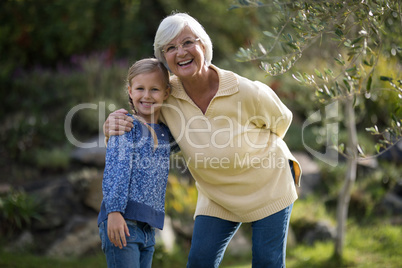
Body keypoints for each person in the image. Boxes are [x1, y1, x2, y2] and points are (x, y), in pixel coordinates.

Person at [104, 13, 302, 268]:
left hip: (268, 186)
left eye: (188, 42)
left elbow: (281, 121)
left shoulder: (245, 91)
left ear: (204, 45)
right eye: (171, 48)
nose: (181, 52)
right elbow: (141, 122)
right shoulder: (166, 95)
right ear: (164, 58)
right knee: (199, 262)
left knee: (266, 263)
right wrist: (111, 126)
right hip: (216, 195)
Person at [98, 58, 179, 268]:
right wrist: (113, 212)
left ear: (166, 93)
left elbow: (190, 142)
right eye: (140, 88)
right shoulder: (126, 125)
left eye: (154, 89)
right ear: (130, 91)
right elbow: (116, 169)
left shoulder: (166, 133)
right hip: (122, 220)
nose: (146, 95)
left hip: (147, 226)